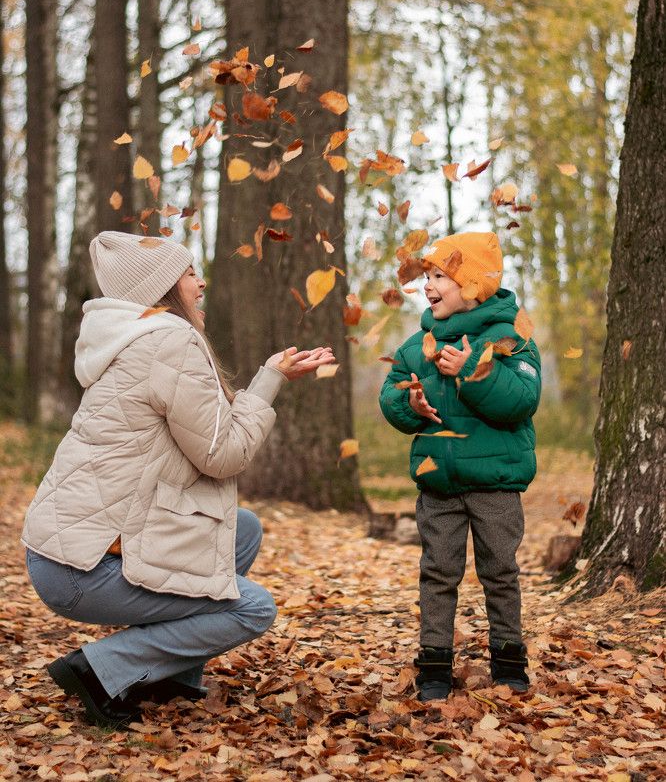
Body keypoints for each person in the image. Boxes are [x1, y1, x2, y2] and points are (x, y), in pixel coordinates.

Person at [21, 231, 335, 728]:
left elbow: (206, 431)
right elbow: (223, 454)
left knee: (244, 528)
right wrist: (268, 384)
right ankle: (100, 670)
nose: (201, 282)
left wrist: (270, 376)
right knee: (252, 609)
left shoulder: (131, 338)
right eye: (190, 273)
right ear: (164, 286)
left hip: (61, 554)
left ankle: (168, 675)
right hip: (82, 567)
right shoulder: (170, 339)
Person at [379, 231, 541, 701]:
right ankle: (433, 666)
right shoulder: (417, 346)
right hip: (439, 482)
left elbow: (522, 401)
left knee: (500, 572)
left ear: (471, 285)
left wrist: (473, 371)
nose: (427, 286)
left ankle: (509, 662)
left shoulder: (512, 336)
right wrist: (409, 404)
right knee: (437, 572)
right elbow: (392, 395)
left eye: (439, 277)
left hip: (495, 482)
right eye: (426, 277)